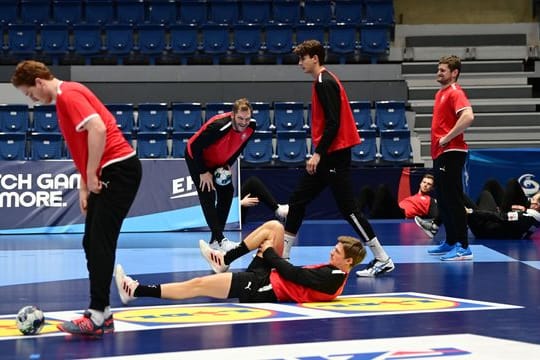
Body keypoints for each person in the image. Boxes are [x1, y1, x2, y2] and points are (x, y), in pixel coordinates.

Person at [11, 60, 142, 337]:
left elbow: (98, 129)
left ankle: (96, 315)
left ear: (38, 82)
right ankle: (102, 313)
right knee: (91, 242)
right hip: (109, 170)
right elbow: (82, 143)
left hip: (117, 169)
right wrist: (85, 183)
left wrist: (92, 173)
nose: (32, 101)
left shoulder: (68, 95)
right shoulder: (64, 97)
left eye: (29, 94)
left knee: (100, 242)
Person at [282, 39, 394, 277]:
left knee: (349, 209)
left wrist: (318, 153)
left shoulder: (325, 82)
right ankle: (283, 257)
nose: (300, 63)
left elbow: (333, 123)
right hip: (330, 155)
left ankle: (383, 258)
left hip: (334, 156)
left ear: (315, 57)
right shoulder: (322, 81)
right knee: (298, 200)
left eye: (303, 58)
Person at [115, 220, 366, 304]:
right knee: (275, 227)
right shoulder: (335, 271)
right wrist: (270, 254)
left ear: (349, 261)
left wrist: (269, 254)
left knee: (200, 284)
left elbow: (293, 275)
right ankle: (225, 258)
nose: (331, 252)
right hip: (269, 277)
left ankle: (135, 290)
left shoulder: (333, 279)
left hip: (262, 288)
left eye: (336, 251)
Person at [186, 98, 256, 252]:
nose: (244, 122)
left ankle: (214, 241)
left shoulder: (251, 127)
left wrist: (227, 164)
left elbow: (239, 147)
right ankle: (220, 239)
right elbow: (193, 146)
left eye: (247, 118)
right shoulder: (218, 126)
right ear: (233, 115)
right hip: (198, 159)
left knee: (227, 192)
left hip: (218, 162)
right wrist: (203, 172)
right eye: (240, 118)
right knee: (208, 194)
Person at [427, 55, 475, 261]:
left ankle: (464, 247)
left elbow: (468, 116)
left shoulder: (455, 92)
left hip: (452, 152)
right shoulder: (441, 93)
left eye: (443, 70)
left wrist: (447, 137)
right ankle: (450, 240)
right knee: (444, 199)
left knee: (453, 199)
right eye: (438, 69)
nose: (438, 73)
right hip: (441, 153)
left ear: (454, 73)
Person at [416, 179, 540, 240]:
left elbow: (501, 217)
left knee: (456, 194)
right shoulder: (531, 216)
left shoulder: (530, 217)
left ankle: (434, 226)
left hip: (486, 229)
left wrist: (472, 212)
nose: (534, 201)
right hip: (494, 224)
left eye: (536, 201)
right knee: (490, 186)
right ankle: (466, 220)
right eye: (534, 199)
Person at [356, 174, 437, 219]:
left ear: (432, 188)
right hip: (388, 212)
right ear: (420, 183)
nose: (425, 185)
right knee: (366, 189)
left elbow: (434, 216)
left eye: (429, 184)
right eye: (424, 182)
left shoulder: (430, 200)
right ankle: (356, 217)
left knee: (383, 188)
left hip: (400, 215)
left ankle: (371, 217)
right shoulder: (411, 197)